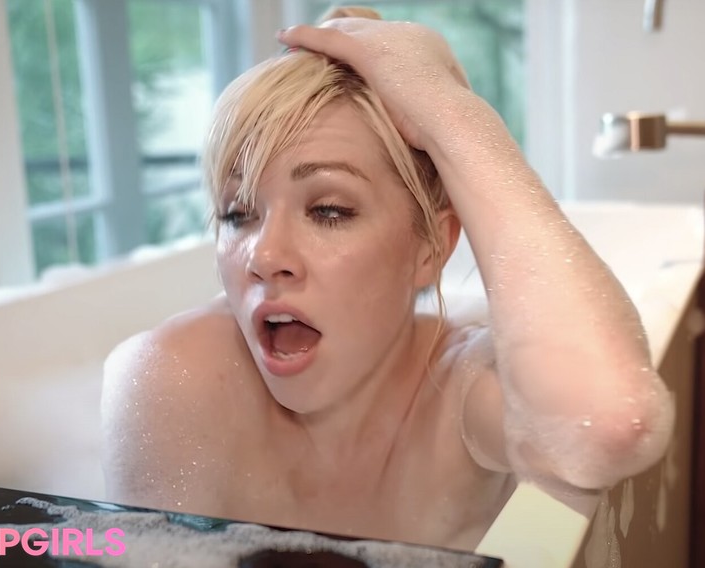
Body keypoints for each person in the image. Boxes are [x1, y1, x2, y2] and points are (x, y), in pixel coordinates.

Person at [100, 6, 673, 551]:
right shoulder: (175, 380)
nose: (265, 255)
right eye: (237, 214)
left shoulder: (461, 389)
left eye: (329, 211)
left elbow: (609, 424)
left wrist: (452, 113)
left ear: (431, 247)